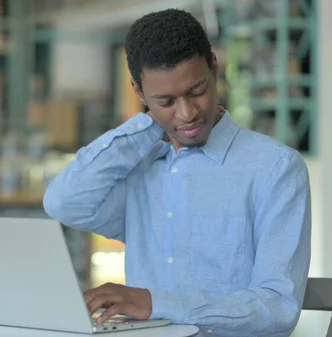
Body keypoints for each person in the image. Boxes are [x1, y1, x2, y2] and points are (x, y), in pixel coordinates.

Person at [43, 8, 311, 337]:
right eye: (165, 101)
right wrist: (149, 129)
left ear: (214, 68)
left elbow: (277, 308)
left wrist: (155, 303)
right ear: (139, 92)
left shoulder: (276, 169)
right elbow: (63, 203)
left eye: (196, 92)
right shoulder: (140, 169)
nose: (187, 113)